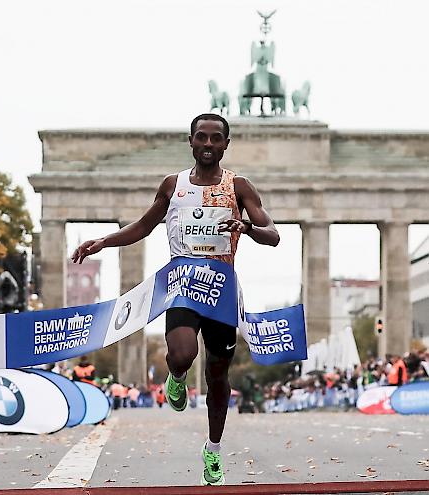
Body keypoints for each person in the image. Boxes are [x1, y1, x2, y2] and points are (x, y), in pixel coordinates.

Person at [72, 113, 280, 485]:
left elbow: (273, 234)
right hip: (183, 281)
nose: (208, 145)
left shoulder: (240, 186)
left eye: (216, 139)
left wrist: (246, 227)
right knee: (183, 352)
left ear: (226, 145)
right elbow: (143, 225)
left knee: (218, 373)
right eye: (202, 137)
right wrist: (103, 240)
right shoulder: (173, 185)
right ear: (191, 141)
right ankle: (177, 374)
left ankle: (213, 449)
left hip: (220, 286)